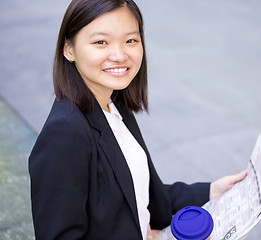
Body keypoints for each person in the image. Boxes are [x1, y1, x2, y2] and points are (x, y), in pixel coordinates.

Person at [28, 0, 247, 239]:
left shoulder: (114, 104)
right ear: (68, 49)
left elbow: (137, 192)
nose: (120, 54)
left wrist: (210, 192)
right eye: (101, 42)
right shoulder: (65, 133)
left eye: (131, 40)